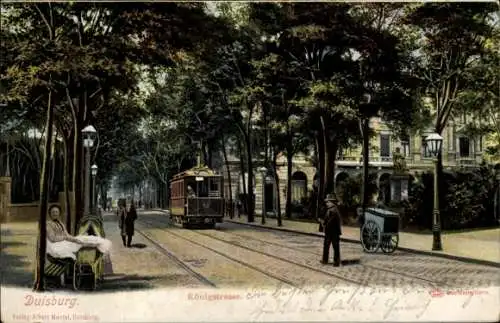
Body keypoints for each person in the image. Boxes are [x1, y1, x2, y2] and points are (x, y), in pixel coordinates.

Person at [46, 205, 112, 260]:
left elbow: (67, 235)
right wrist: (67, 238)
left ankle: (100, 244)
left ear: (59, 213)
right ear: (50, 214)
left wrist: (73, 239)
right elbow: (53, 238)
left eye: (56, 212)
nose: (55, 213)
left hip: (64, 241)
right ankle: (96, 248)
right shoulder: (48, 224)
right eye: (53, 212)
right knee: (81, 242)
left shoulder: (60, 223)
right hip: (56, 245)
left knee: (81, 238)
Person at [319, 194, 342, 267]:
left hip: (332, 232)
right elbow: (327, 220)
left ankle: (328, 261)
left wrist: (323, 223)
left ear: (332, 202)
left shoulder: (333, 210)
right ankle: (334, 261)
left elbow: (330, 222)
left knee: (328, 246)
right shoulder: (332, 210)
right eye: (326, 202)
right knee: (334, 247)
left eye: (328, 202)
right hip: (333, 232)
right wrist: (323, 221)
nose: (327, 203)